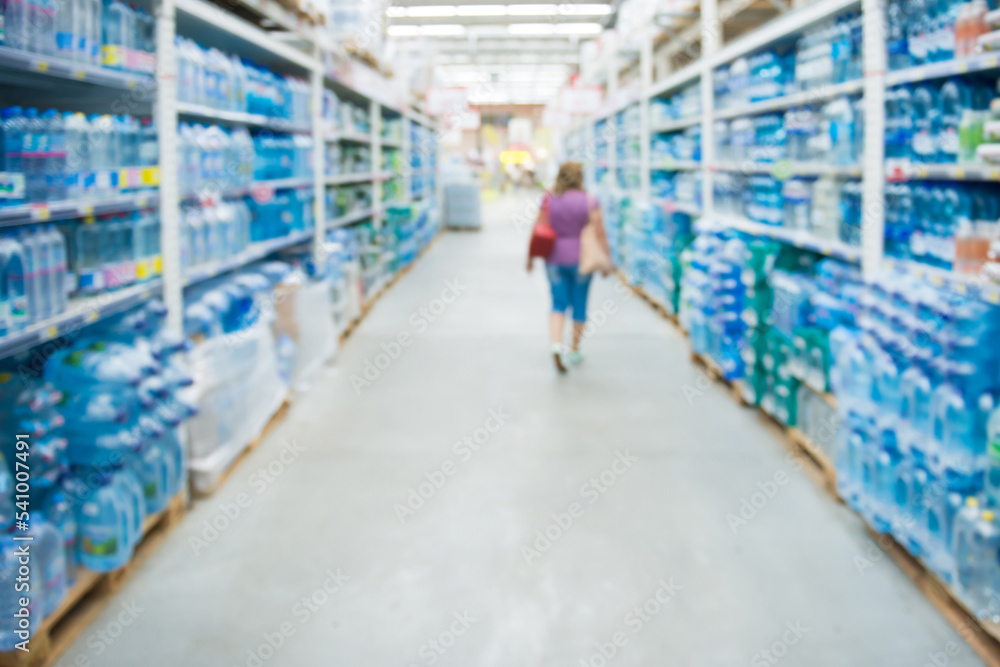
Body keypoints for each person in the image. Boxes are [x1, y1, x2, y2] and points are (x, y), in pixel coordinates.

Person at [527, 161, 610, 373]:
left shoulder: (549, 199)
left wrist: (530, 256)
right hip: (582, 259)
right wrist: (606, 260)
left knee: (558, 303)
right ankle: (574, 348)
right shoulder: (590, 200)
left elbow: (538, 228)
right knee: (579, 303)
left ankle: (556, 344)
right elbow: (599, 232)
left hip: (554, 258)